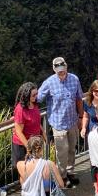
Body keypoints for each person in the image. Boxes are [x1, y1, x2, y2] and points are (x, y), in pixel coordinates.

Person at [37, 57, 84, 188]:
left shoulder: (74, 79)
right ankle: (62, 176)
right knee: (61, 152)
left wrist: (81, 117)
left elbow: (79, 99)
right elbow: (37, 98)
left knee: (72, 148)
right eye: (59, 71)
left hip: (72, 121)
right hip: (58, 123)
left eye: (63, 70)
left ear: (66, 67)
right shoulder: (49, 83)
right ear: (54, 70)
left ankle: (70, 171)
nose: (61, 73)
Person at [12, 82, 46, 173]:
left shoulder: (34, 105)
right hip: (22, 145)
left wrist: (43, 134)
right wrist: (28, 147)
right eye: (33, 95)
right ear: (27, 96)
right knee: (24, 170)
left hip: (34, 143)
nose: (36, 96)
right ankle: (24, 186)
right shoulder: (20, 109)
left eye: (36, 94)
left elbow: (37, 121)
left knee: (34, 169)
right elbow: (19, 132)